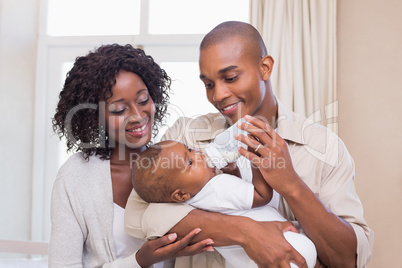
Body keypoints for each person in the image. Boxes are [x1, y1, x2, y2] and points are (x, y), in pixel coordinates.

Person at [124, 21, 374, 268]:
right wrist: (246, 232)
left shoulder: (322, 147)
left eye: (230, 77)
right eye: (208, 84)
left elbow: (347, 260)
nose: (218, 95)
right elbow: (140, 218)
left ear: (265, 68)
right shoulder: (184, 136)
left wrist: (292, 186)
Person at [49, 44, 215, 268]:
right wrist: (139, 261)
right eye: (119, 110)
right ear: (95, 117)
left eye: (143, 100)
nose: (137, 116)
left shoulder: (177, 163)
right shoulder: (75, 177)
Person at [132, 139, 318, 268]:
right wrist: (255, 161)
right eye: (189, 162)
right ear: (180, 194)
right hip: (289, 251)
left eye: (189, 149)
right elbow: (261, 196)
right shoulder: (216, 185)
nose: (197, 154)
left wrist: (233, 171)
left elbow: (233, 203)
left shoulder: (190, 205)